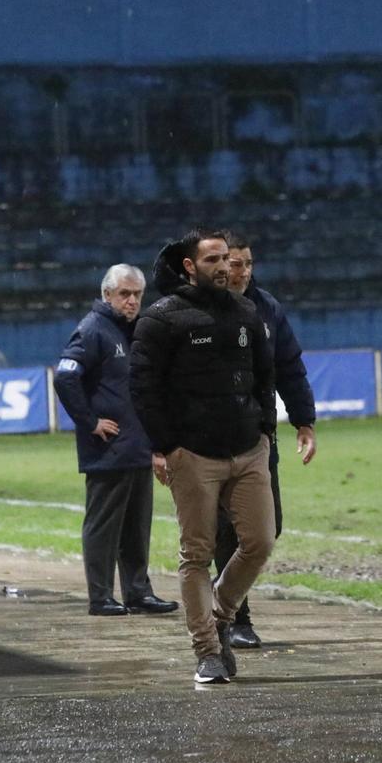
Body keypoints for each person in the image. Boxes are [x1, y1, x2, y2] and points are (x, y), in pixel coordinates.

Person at [130, 230, 276, 684]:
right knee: (196, 553)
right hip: (192, 454)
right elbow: (142, 387)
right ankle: (207, 652)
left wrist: (266, 430)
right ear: (190, 266)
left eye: (227, 259)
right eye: (212, 259)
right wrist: (167, 445)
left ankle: (221, 613)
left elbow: (264, 375)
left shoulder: (247, 311)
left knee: (260, 542)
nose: (224, 266)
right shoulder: (162, 318)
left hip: (249, 449)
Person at [53, 265, 179, 617]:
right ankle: (101, 596)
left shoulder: (136, 330)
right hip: (109, 449)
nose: (132, 301)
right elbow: (65, 377)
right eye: (125, 294)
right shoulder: (93, 330)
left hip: (137, 445)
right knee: (104, 526)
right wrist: (90, 422)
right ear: (107, 294)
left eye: (138, 294)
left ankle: (138, 591)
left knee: (137, 527)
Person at [215, 233, 316, 648]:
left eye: (249, 264)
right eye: (236, 264)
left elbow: (290, 367)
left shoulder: (268, 309)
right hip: (211, 440)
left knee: (267, 528)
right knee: (225, 530)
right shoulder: (196, 309)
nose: (243, 272)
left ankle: (221, 601)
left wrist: (304, 421)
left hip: (260, 437)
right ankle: (234, 618)